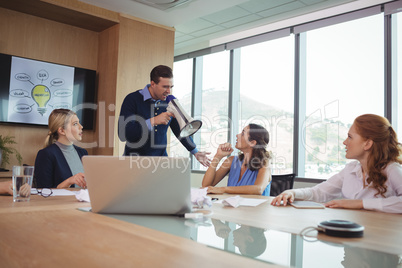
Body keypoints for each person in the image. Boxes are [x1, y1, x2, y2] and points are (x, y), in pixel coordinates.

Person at [271, 114, 402, 214]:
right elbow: (319, 192)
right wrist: (292, 193)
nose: (345, 142)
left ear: (367, 143)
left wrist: (360, 204)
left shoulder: (392, 169)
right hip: (352, 241)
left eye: (350, 137)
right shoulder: (350, 170)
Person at [118, 65, 210, 166]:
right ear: (153, 84)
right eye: (165, 86)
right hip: (133, 162)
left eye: (171, 87)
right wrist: (153, 121)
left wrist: (195, 152)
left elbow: (180, 130)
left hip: (161, 163)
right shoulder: (132, 99)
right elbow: (123, 133)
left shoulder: (169, 102)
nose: (169, 91)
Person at [202, 123, 271, 195]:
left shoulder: (265, 163)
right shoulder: (231, 161)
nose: (237, 135)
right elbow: (205, 186)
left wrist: (223, 189)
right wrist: (217, 157)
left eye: (242, 134)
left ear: (252, 142)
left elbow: (258, 189)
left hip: (257, 206)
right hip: (235, 206)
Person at [34, 109, 87, 188]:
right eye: (75, 124)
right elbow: (44, 192)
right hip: (61, 200)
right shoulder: (46, 154)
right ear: (62, 131)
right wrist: (69, 181)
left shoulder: (83, 152)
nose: (81, 126)